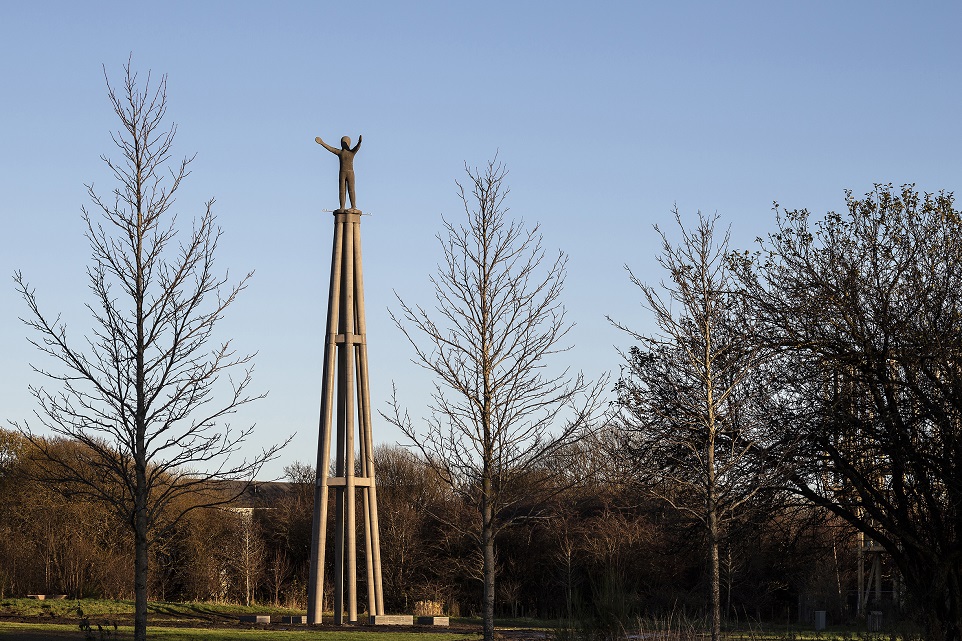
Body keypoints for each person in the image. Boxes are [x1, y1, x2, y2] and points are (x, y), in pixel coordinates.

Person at [316, 134, 362, 212]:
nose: (344, 144)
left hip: (350, 173)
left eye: (346, 142)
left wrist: (359, 142)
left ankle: (353, 206)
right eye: (343, 142)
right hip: (342, 173)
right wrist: (322, 143)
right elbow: (330, 148)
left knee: (351, 189)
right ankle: (342, 206)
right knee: (342, 190)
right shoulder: (340, 152)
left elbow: (357, 148)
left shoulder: (351, 152)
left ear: (349, 143)